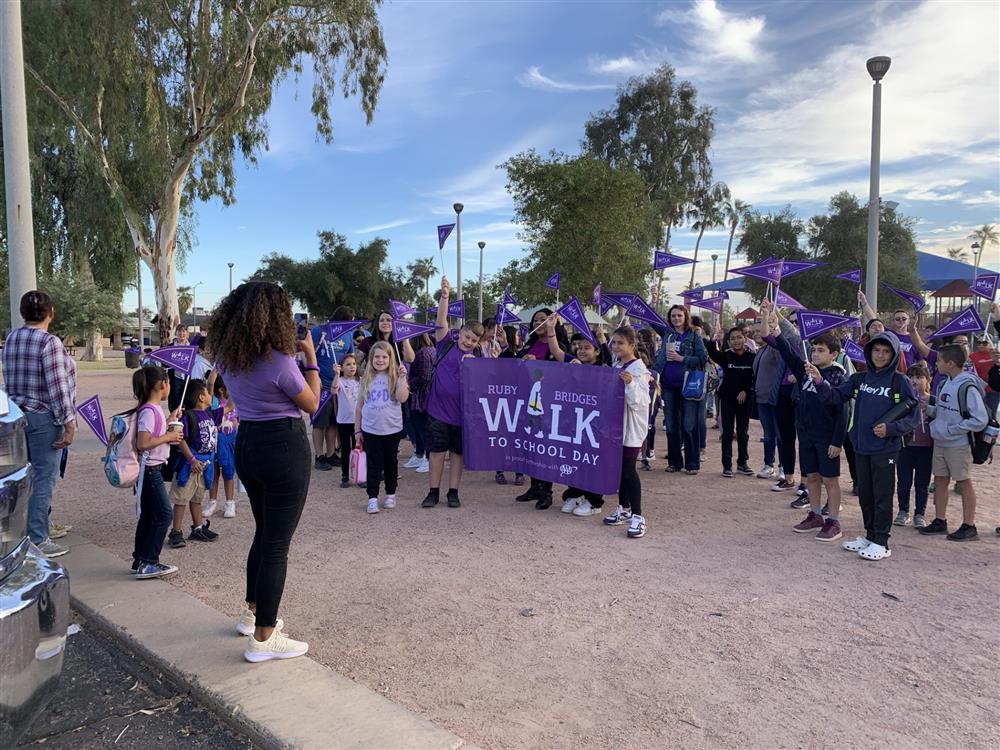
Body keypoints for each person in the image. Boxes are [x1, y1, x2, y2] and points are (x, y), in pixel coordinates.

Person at [208, 281, 321, 663]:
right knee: (277, 543)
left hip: (248, 442)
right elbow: (312, 402)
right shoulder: (279, 362)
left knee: (265, 533)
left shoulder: (228, 357)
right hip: (283, 445)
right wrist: (313, 360)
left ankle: (253, 611)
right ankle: (264, 636)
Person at [807, 332, 919, 561]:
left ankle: (881, 541)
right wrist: (819, 380)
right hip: (861, 446)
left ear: (894, 354)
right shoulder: (860, 379)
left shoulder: (900, 381)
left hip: (885, 449)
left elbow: (913, 417)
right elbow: (835, 397)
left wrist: (891, 429)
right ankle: (869, 536)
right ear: (869, 352)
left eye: (886, 351)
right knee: (865, 494)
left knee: (882, 495)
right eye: (876, 350)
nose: (880, 355)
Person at [2, 290, 77, 558]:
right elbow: (58, 387)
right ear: (50, 313)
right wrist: (69, 423)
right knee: (44, 478)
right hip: (44, 417)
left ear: (23, 313)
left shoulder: (11, 339)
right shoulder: (49, 343)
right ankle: (38, 537)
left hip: (17, 417)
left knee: (21, 478)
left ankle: (19, 530)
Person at [767, 327, 848, 542]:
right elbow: (787, 353)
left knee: (830, 479)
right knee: (811, 477)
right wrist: (776, 332)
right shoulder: (805, 371)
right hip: (806, 435)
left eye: (821, 351)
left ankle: (833, 521)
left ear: (833, 354)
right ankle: (815, 515)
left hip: (827, 436)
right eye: (814, 350)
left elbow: (842, 411)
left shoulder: (838, 377)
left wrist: (837, 440)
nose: (815, 354)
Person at [917, 344, 989, 541]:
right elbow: (944, 410)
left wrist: (952, 429)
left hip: (958, 443)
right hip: (941, 441)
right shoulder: (945, 382)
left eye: (939, 360)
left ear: (950, 363)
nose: (937, 363)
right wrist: (929, 410)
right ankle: (940, 520)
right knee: (940, 480)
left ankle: (969, 525)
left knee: (963, 482)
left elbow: (979, 419)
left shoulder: (967, 386)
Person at [422, 277, 483, 509]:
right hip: (437, 411)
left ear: (478, 342)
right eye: (467, 337)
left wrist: (474, 367)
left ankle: (453, 492)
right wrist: (445, 297)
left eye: (474, 340)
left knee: (458, 454)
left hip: (462, 416)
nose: (469, 342)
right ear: (462, 332)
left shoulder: (478, 360)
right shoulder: (445, 343)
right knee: (437, 452)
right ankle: (433, 491)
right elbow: (440, 320)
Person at [128, 366, 183, 579]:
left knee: (150, 515)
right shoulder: (150, 411)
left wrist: (169, 420)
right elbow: (144, 442)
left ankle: (140, 558)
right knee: (163, 514)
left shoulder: (152, 410)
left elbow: (152, 433)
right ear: (162, 384)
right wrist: (168, 438)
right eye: (168, 382)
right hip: (150, 470)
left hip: (152, 469)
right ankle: (149, 561)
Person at [514, 309, 571, 508]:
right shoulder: (530, 343)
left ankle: (546, 492)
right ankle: (534, 487)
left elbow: (557, 373)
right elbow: (516, 363)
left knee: (545, 447)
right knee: (531, 445)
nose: (539, 322)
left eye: (543, 320)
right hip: (529, 401)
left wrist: (538, 365)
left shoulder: (559, 346)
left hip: (548, 404)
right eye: (536, 320)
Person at [603, 326, 651, 538]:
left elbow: (640, 403)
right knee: (620, 469)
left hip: (631, 428)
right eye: (614, 342)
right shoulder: (617, 365)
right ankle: (624, 507)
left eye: (621, 342)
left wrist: (630, 384)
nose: (616, 346)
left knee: (629, 470)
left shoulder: (639, 371)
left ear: (632, 345)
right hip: (616, 428)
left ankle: (638, 517)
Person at [355, 342, 410, 513]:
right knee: (374, 464)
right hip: (371, 429)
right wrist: (357, 430)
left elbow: (402, 398)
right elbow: (359, 406)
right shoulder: (366, 378)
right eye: (377, 357)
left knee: (391, 463)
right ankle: (372, 497)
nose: (380, 360)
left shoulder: (394, 376)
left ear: (390, 358)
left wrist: (402, 379)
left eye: (384, 357)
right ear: (371, 359)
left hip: (391, 429)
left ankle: (390, 494)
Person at [166, 380, 221, 548]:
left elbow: (231, 407)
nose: (211, 396)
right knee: (182, 497)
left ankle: (197, 527)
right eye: (208, 393)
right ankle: (176, 531)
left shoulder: (210, 414)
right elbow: (180, 438)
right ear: (201, 396)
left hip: (204, 464)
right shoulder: (188, 416)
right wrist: (191, 459)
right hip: (189, 464)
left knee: (197, 497)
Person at [654, 305, 708, 474]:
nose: (676, 318)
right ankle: (674, 462)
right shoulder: (667, 334)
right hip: (669, 386)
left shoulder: (694, 336)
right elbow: (651, 320)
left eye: (679, 315)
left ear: (685, 317)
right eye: (673, 316)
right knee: (671, 425)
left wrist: (681, 358)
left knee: (689, 424)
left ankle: (692, 463)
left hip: (688, 385)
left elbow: (702, 358)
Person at [707, 324, 756, 478]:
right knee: (727, 433)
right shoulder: (726, 356)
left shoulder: (752, 357)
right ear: (728, 342)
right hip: (727, 399)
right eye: (732, 339)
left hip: (744, 401)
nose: (736, 341)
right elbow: (712, 352)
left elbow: (754, 379)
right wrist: (713, 337)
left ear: (745, 338)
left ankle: (742, 463)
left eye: (739, 338)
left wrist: (746, 390)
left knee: (743, 432)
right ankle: (727, 465)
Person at [311, 306, 355, 471]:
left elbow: (349, 357)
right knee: (319, 422)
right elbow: (309, 355)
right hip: (321, 385)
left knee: (333, 423)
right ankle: (319, 456)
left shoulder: (349, 335)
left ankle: (331, 454)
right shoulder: (319, 331)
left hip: (338, 385)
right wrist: (314, 376)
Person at [895, 363, 933, 529]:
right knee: (903, 482)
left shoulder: (933, 400)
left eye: (919, 377)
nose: (914, 380)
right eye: (910, 377)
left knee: (922, 483)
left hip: (927, 449)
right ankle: (903, 511)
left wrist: (929, 409)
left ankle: (920, 514)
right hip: (905, 447)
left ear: (927, 380)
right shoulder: (904, 400)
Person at [859, 291, 920, 368]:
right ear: (893, 321)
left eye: (904, 319)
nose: (901, 321)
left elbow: (921, 358)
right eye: (897, 319)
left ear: (908, 321)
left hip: (907, 373)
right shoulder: (888, 334)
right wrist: (864, 303)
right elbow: (873, 319)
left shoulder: (914, 338)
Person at [206, 376, 238, 519]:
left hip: (230, 442)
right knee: (214, 472)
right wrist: (216, 366)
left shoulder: (235, 400)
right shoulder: (213, 402)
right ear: (221, 390)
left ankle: (230, 502)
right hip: (216, 443)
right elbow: (210, 383)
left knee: (228, 472)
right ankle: (212, 501)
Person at [404, 335, 434, 475]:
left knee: (422, 427)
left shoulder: (423, 353)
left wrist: (409, 384)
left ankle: (428, 458)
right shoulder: (428, 350)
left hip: (422, 396)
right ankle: (420, 453)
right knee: (417, 425)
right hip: (421, 395)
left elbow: (425, 377)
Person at [334, 354, 361, 488]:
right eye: (348, 364)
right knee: (346, 449)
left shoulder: (360, 381)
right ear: (342, 367)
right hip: (344, 421)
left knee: (360, 449)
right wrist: (336, 375)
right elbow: (334, 390)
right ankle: (345, 476)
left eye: (354, 364)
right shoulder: (340, 381)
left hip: (358, 421)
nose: (352, 367)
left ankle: (361, 475)